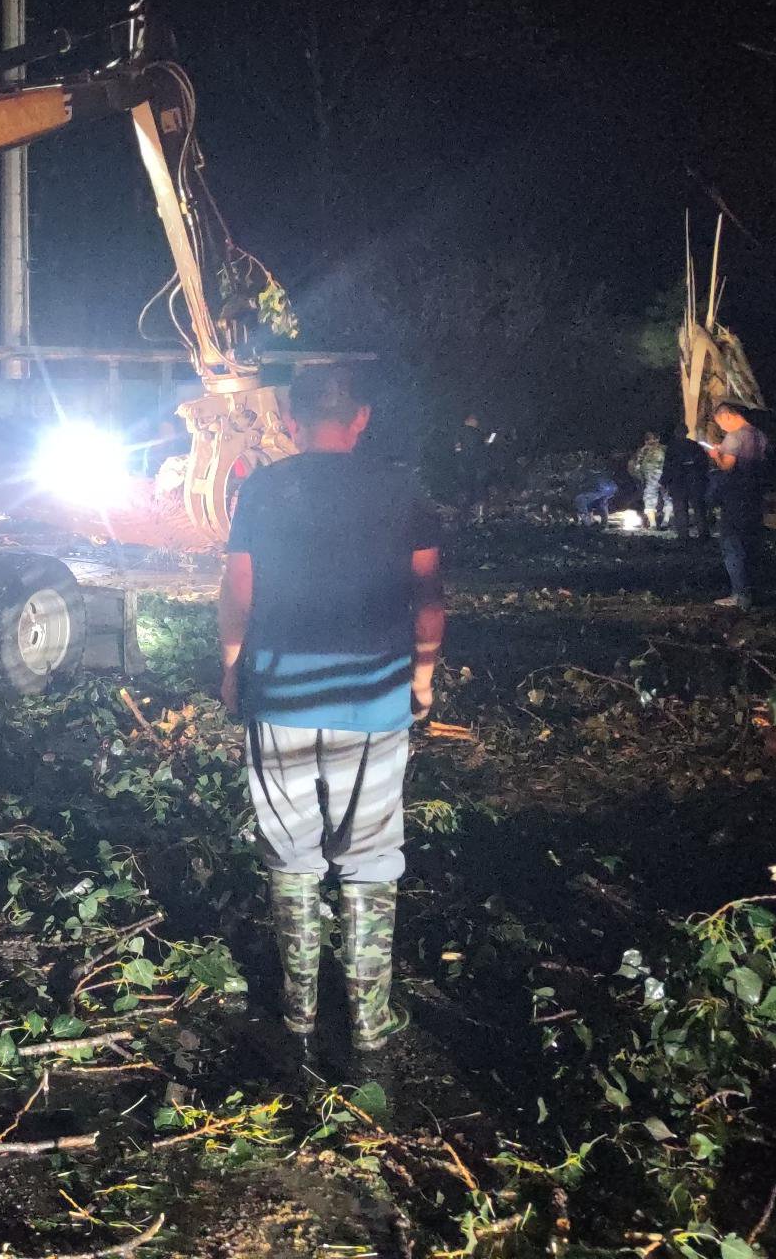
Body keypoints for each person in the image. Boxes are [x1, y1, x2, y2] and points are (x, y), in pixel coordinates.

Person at [219, 366, 444, 1063]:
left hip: (282, 694)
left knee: (291, 854)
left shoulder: (262, 488)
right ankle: (370, 1027)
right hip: (373, 699)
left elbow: (239, 587)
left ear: (289, 420)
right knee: (370, 856)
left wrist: (232, 667)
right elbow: (428, 594)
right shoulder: (404, 489)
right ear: (362, 418)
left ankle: (300, 1020)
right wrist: (425, 675)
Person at [703, 400, 769, 609]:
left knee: (732, 544)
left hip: (735, 496)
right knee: (751, 543)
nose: (721, 428)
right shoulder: (759, 434)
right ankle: (753, 592)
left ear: (727, 416)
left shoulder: (734, 436)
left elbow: (727, 467)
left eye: (720, 423)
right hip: (755, 495)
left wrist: (716, 456)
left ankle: (740, 595)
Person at [662, 427, 709, 541]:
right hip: (694, 480)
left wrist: (664, 481)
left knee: (680, 509)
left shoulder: (672, 447)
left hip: (678, 481)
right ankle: (703, 534)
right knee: (698, 508)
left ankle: (683, 535)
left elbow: (668, 466)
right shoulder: (694, 445)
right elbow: (703, 462)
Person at [629, 430, 669, 529]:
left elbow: (636, 467)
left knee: (650, 500)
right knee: (667, 499)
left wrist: (640, 480)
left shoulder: (643, 450)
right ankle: (665, 522)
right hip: (665, 478)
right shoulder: (665, 449)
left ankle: (653, 524)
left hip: (650, 480)